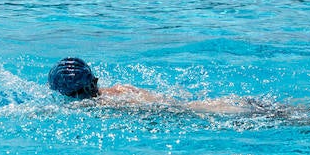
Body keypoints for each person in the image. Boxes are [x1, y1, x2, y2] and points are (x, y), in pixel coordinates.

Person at [47, 57, 264, 117]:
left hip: (208, 113)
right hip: (212, 104)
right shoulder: (121, 88)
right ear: (94, 80)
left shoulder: (96, 106)